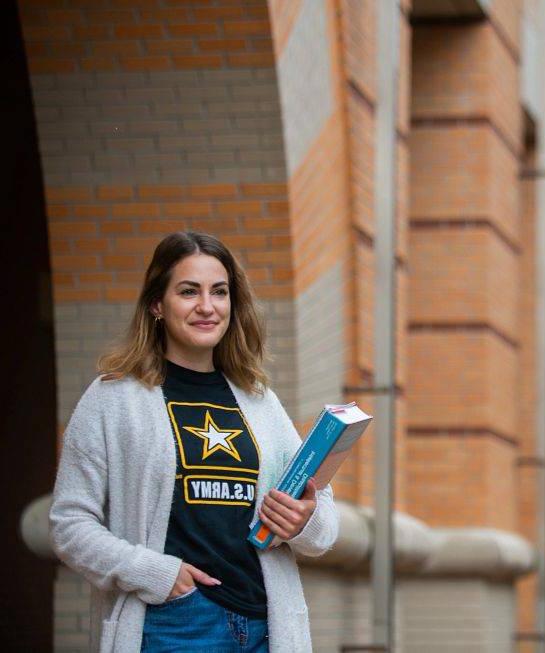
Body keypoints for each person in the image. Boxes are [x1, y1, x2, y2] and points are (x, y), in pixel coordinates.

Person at [50, 231, 339, 653]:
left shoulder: (260, 402)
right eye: (189, 292)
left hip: (267, 623)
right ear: (156, 305)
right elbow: (70, 526)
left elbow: (321, 515)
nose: (207, 306)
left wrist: (304, 521)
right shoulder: (113, 398)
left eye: (219, 292)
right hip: (174, 622)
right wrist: (156, 574)